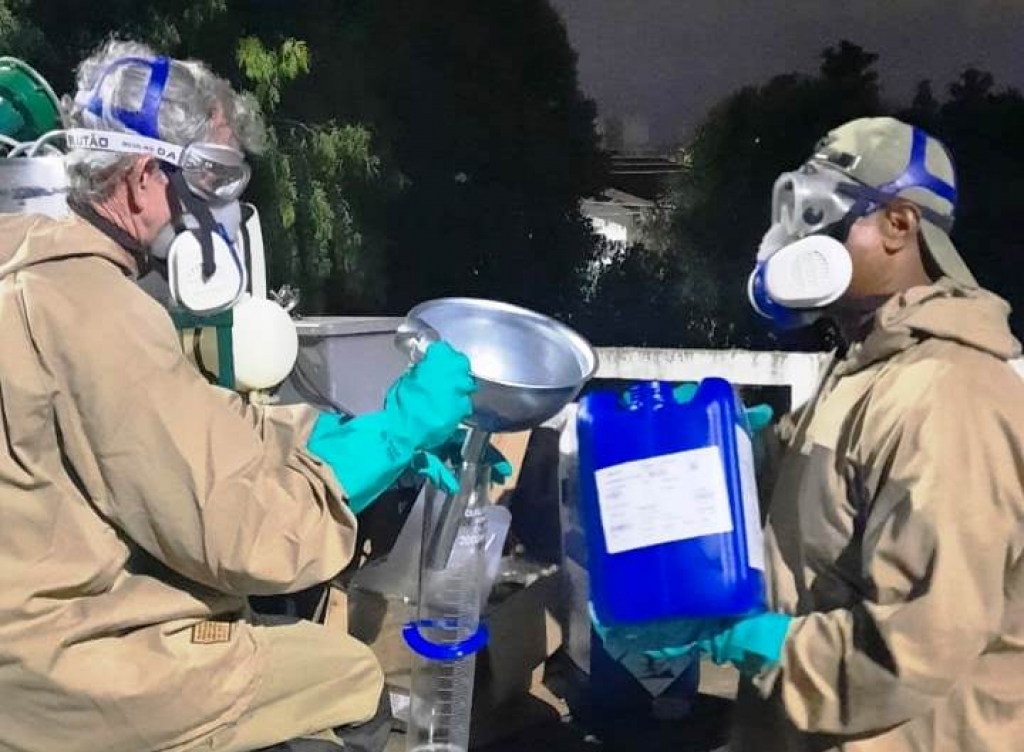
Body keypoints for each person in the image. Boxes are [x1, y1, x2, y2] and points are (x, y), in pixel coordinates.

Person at [0, 40, 476, 752]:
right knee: (346, 676)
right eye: (210, 178)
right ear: (138, 179)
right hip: (65, 668)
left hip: (27, 637)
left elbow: (195, 422)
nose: (220, 207)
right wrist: (392, 438)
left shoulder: (33, 266)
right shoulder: (98, 310)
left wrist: (336, 437)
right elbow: (242, 538)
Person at [676, 117, 1024, 751]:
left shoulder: (950, 393)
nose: (791, 243)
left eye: (819, 216)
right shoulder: (868, 368)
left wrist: (769, 645)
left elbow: (923, 639)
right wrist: (716, 448)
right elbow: (811, 503)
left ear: (899, 225)